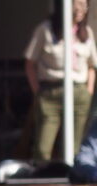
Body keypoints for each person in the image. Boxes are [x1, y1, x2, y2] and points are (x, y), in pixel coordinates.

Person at [25, 0, 97, 162]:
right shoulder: (45, 29)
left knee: (75, 147)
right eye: (76, 4)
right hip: (51, 91)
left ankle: (74, 183)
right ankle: (43, 183)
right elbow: (30, 63)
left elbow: (92, 64)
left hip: (79, 92)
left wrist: (89, 89)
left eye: (84, 5)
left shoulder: (86, 32)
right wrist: (38, 91)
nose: (80, 9)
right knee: (43, 147)